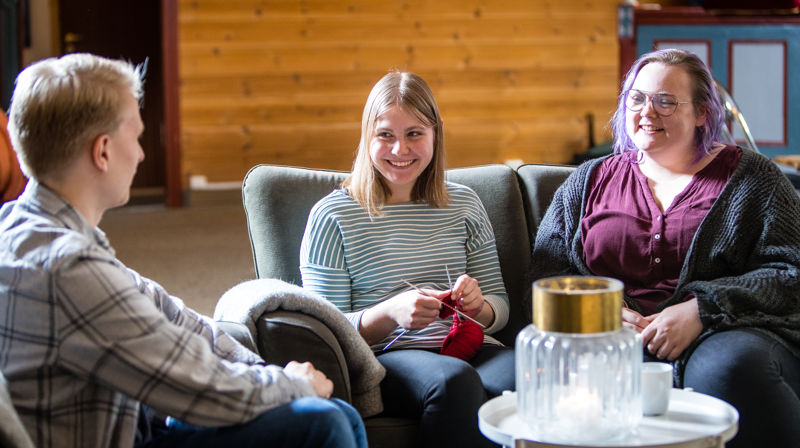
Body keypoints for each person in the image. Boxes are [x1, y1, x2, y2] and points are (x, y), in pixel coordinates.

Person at [0, 53, 366, 448]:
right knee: (321, 422)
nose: (141, 154)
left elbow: (164, 311)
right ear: (102, 151)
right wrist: (289, 383)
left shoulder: (24, 227)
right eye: (136, 137)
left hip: (136, 416)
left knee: (330, 412)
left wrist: (263, 370)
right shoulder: (68, 267)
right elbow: (200, 388)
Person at [530, 48, 800, 447]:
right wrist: (599, 314)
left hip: (727, 331)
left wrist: (702, 309)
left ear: (704, 112)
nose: (647, 112)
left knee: (729, 368)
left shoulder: (754, 178)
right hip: (611, 338)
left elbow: (789, 272)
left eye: (666, 101)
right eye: (636, 99)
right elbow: (546, 273)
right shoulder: (587, 180)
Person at [299, 70, 514, 447]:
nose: (400, 150)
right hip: (388, 357)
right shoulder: (332, 215)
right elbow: (325, 333)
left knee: (535, 373)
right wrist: (389, 314)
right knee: (453, 383)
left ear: (435, 135)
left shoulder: (464, 204)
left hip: (472, 345)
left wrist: (480, 307)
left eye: (415, 133)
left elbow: (500, 307)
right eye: (386, 135)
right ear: (368, 136)